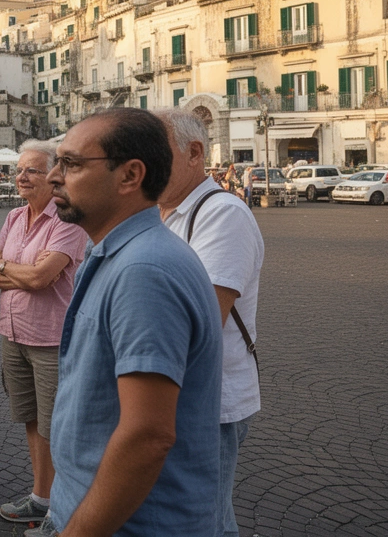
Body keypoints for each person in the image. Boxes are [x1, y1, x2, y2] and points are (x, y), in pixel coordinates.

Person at [37, 108, 221, 537]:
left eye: (72, 163)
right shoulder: (114, 254)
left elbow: (147, 436)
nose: (53, 176)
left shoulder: (144, 270)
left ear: (130, 176)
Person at [156, 109, 263, 537]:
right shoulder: (160, 213)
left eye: (150, 153)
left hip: (208, 403)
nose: (136, 166)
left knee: (205, 521)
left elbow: (198, 322)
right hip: (168, 396)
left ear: (195, 153)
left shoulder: (223, 215)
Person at [0, 141, 88, 524]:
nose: (21, 177)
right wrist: (18, 271)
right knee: (31, 420)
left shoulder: (66, 221)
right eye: (19, 171)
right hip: (13, 333)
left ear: (53, 176)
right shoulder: (12, 217)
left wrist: (8, 268)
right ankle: (42, 498)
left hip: (51, 339)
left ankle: (65, 511)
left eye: (32, 171)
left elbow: (42, 278)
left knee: (57, 427)